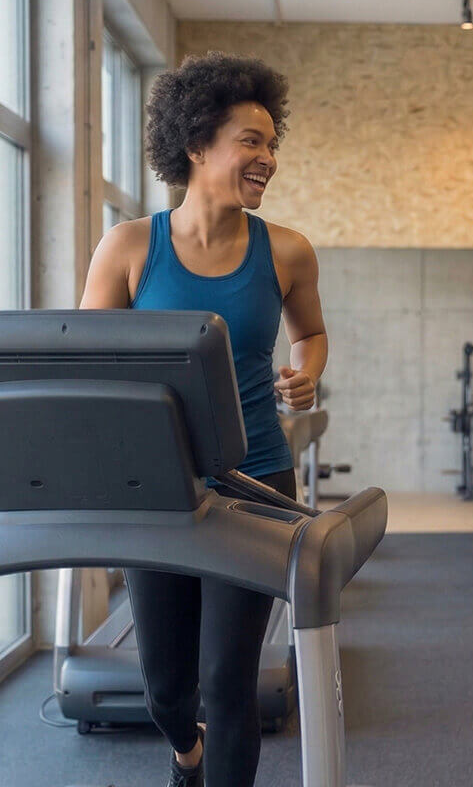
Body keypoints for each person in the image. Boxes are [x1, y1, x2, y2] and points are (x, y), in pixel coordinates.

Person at [80, 51, 327, 787]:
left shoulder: (286, 250)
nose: (268, 158)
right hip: (156, 487)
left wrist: (305, 374)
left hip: (256, 480)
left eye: (271, 143)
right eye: (250, 141)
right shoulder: (129, 246)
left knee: (228, 682)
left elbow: (309, 335)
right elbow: (89, 364)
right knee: (166, 690)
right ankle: (183, 754)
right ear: (195, 145)